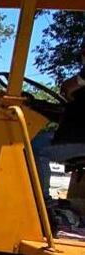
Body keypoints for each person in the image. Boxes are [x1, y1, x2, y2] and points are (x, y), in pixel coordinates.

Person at [33, 42, 85, 201]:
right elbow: (70, 107)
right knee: (37, 140)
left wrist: (68, 90)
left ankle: (43, 201)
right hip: (75, 134)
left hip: (81, 139)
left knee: (37, 149)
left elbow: (67, 88)